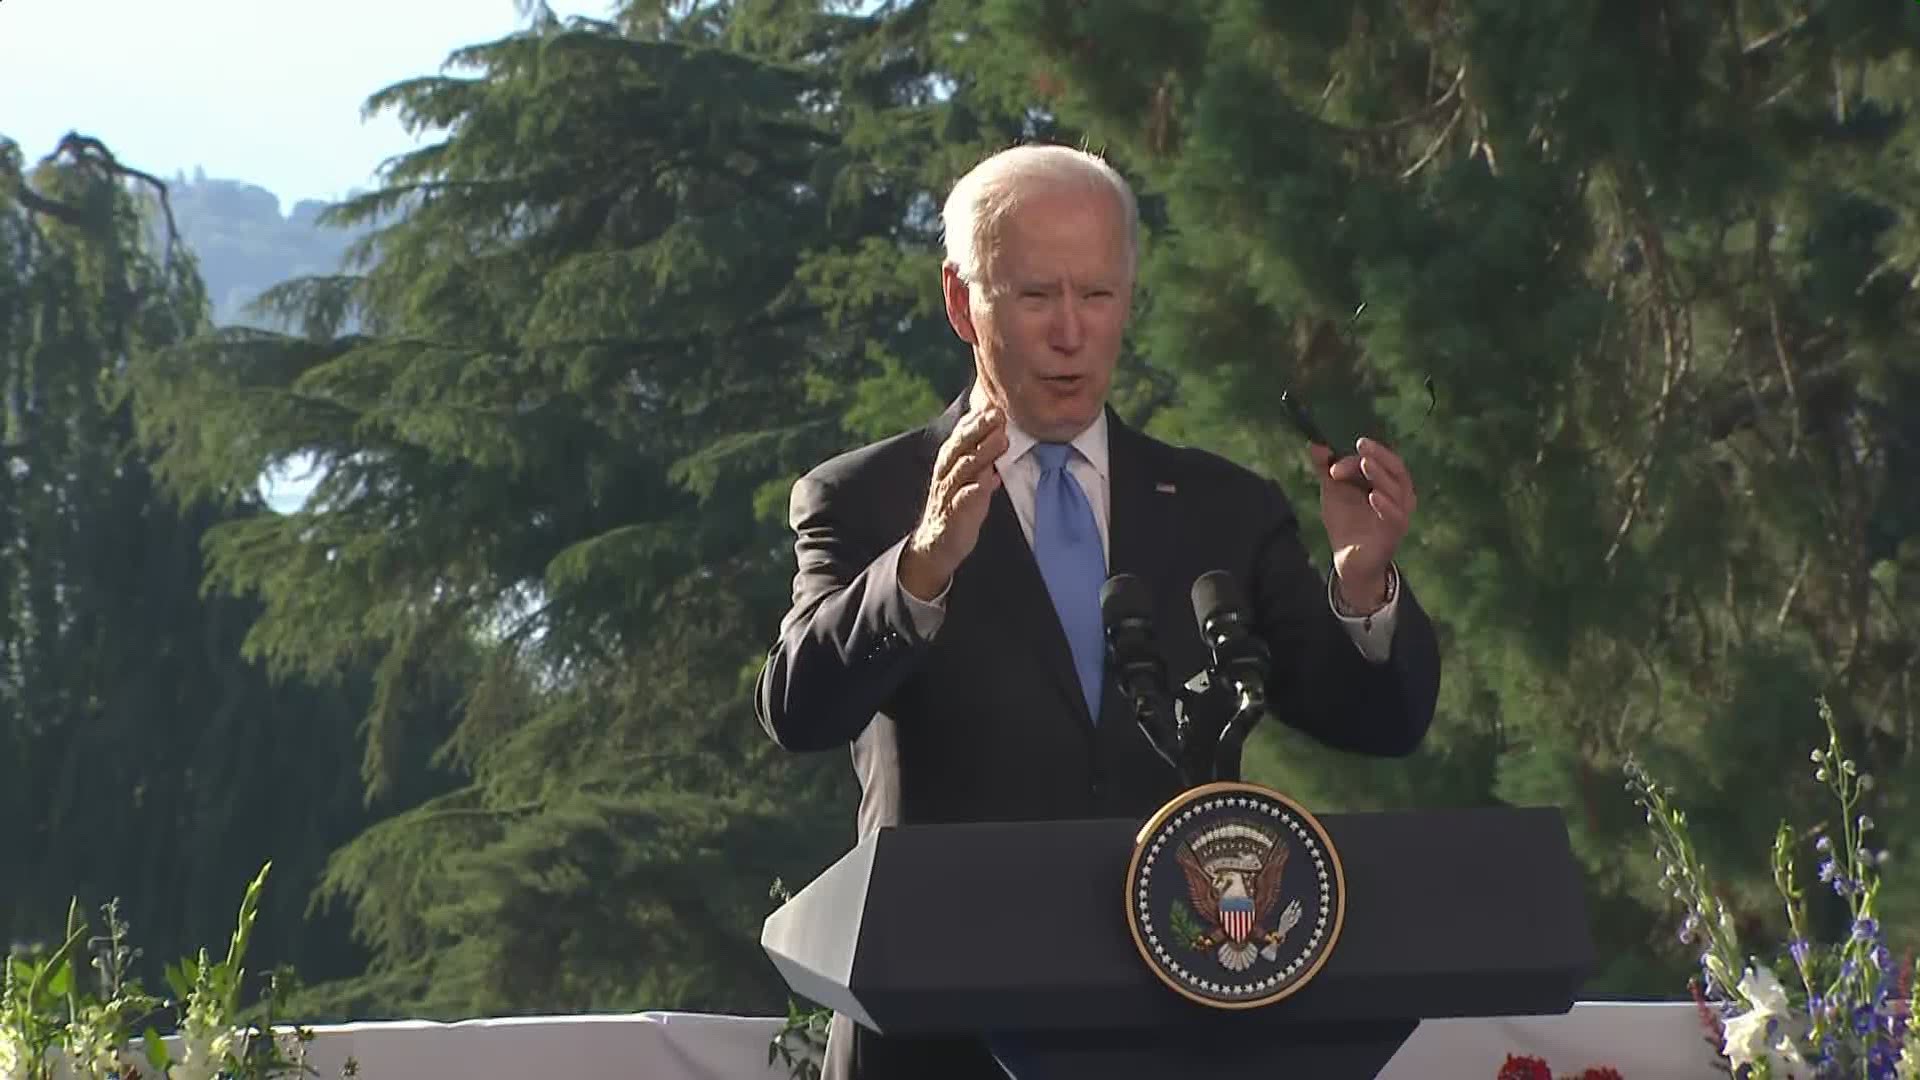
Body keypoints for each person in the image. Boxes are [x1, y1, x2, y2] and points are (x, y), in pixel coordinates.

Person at [753, 143, 1442, 1080]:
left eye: (1100, 296)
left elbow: (1379, 720)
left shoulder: (1221, 509)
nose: (1072, 334)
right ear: (963, 303)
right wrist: (920, 567)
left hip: (1181, 1025)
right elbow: (800, 709)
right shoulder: (864, 497)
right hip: (940, 1035)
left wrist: (1362, 583)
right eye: (1037, 297)